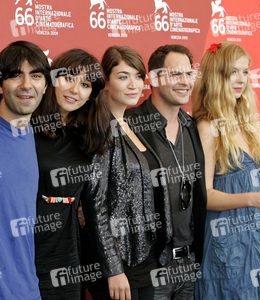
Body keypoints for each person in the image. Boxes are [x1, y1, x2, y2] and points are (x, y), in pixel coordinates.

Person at [82, 46, 173, 300]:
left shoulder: (131, 124)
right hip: (120, 264)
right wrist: (113, 268)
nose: (133, 85)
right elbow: (95, 204)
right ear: (106, 82)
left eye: (137, 76)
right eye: (123, 76)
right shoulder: (100, 129)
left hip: (145, 257)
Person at [192, 42, 260, 299]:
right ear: (217, 77)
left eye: (245, 71)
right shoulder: (206, 127)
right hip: (229, 242)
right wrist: (254, 198)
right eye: (233, 72)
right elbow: (204, 196)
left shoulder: (248, 123)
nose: (241, 80)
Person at [125, 44, 207, 300]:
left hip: (190, 263)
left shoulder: (193, 127)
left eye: (188, 74)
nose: (185, 82)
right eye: (175, 74)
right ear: (155, 77)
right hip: (150, 267)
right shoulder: (129, 123)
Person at [32, 49, 110, 299]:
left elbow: (92, 202)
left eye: (85, 84)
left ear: (92, 94)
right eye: (69, 78)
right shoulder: (27, 125)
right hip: (28, 244)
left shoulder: (87, 137)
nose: (75, 90)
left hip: (68, 247)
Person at [0, 40, 50, 300]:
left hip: (27, 287)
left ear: (45, 85)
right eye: (15, 75)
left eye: (36, 75)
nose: (26, 85)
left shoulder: (37, 134)